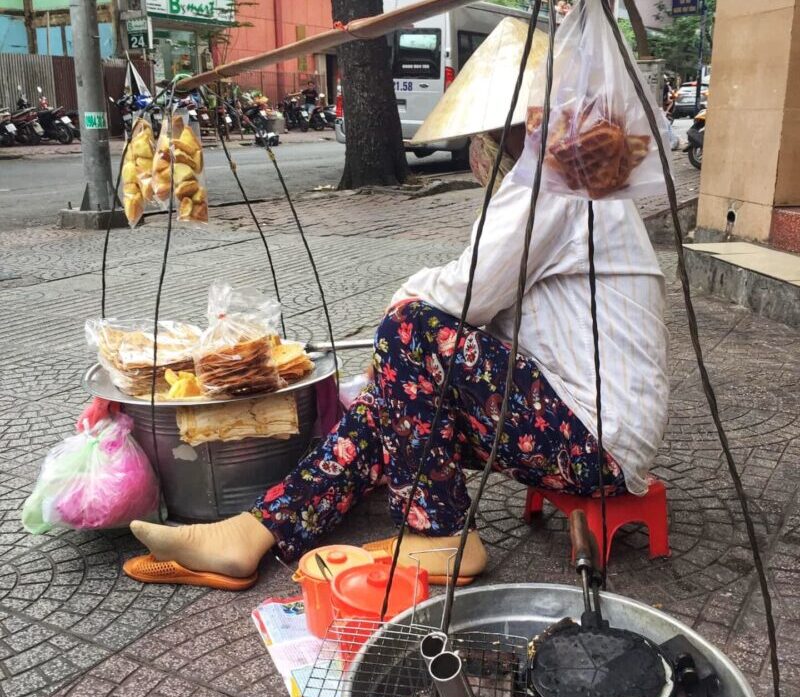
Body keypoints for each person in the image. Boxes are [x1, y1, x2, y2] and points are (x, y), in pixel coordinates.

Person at [125, 19, 668, 591]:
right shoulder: (557, 179)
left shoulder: (556, 183)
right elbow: (478, 289)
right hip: (573, 418)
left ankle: (440, 534)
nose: (484, 144)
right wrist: (395, 368)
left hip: (594, 436)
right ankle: (254, 532)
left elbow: (466, 291)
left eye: (491, 130)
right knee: (390, 397)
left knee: (409, 329)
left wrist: (398, 319)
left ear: (521, 120)